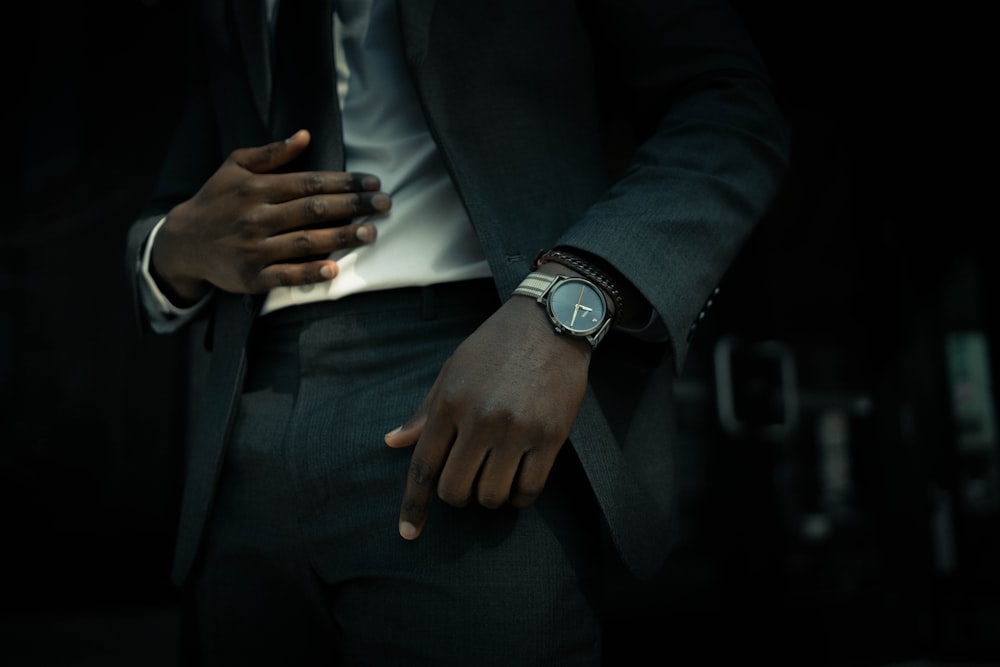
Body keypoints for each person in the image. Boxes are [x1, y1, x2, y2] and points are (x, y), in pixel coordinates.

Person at [125, 0, 790, 664]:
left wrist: (566, 304)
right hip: (243, 429)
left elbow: (727, 108)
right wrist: (172, 248)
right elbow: (182, 198)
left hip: (478, 390)